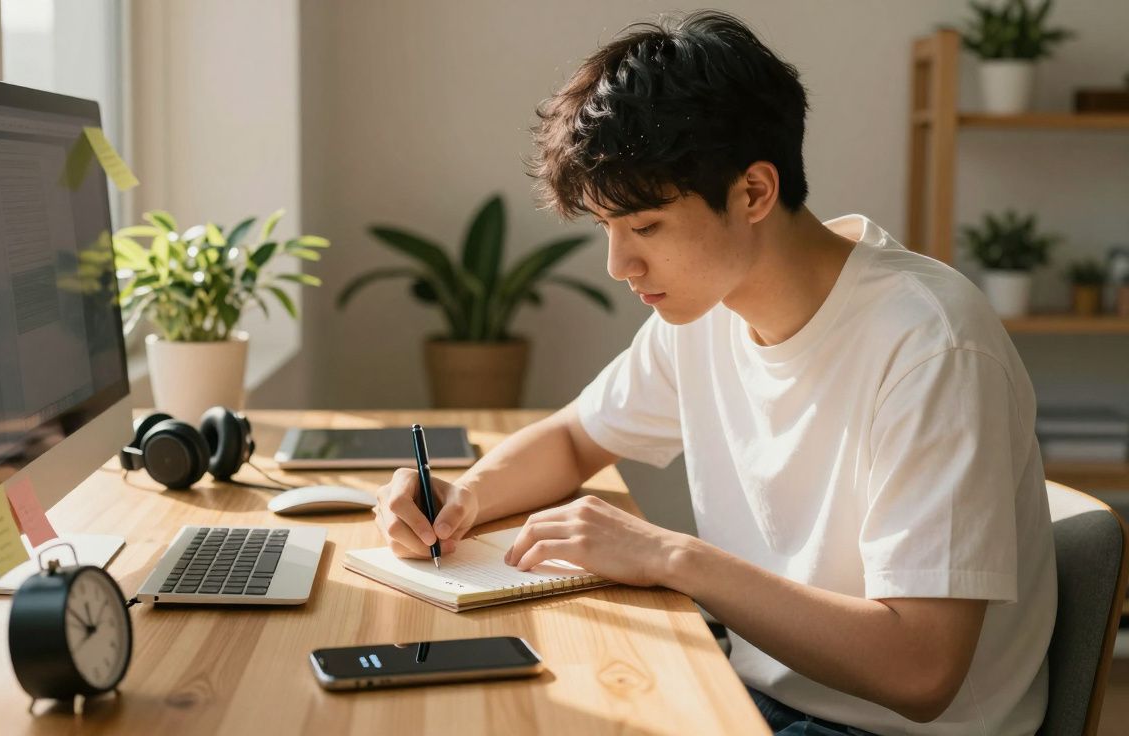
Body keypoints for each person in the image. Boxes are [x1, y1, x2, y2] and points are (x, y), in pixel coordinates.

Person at [372, 11, 1055, 735]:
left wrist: (671, 556)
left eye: (645, 228)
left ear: (754, 193)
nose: (620, 266)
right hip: (757, 692)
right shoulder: (707, 312)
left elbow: (921, 672)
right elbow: (576, 438)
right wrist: (462, 500)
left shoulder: (930, 346)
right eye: (608, 229)